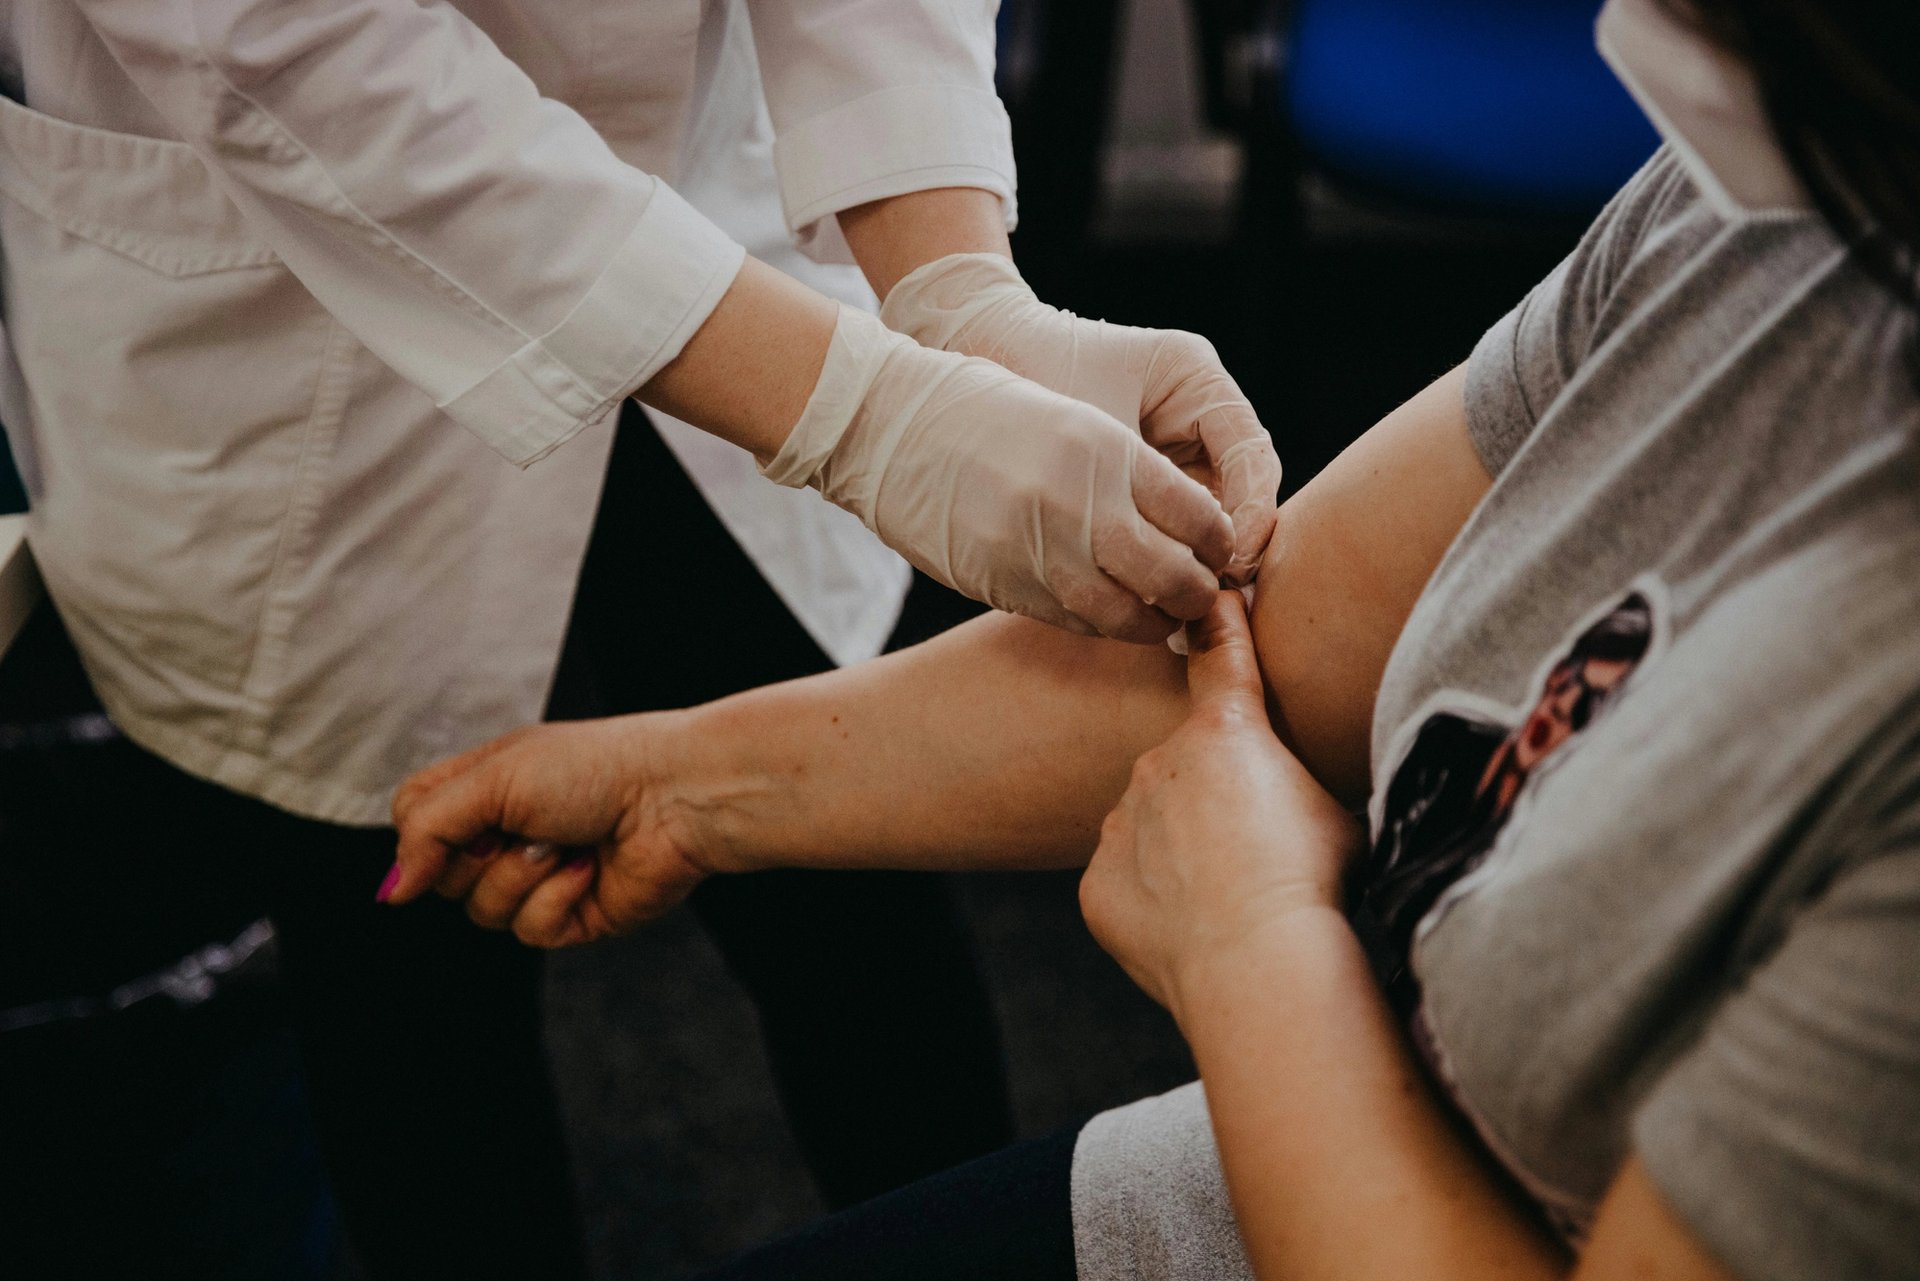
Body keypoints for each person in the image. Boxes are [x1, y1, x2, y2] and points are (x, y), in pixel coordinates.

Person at [390, 0, 1920, 1277]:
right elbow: (1275, 643)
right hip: (1296, 1144)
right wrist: (682, 782)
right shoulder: (1766, 213)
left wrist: (1250, 943)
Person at [0, 1, 1286, 1277]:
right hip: (304, 274)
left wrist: (956, 288)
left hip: (717, 197)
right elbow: (281, 36)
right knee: (410, 978)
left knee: (855, 893)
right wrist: (859, 413)